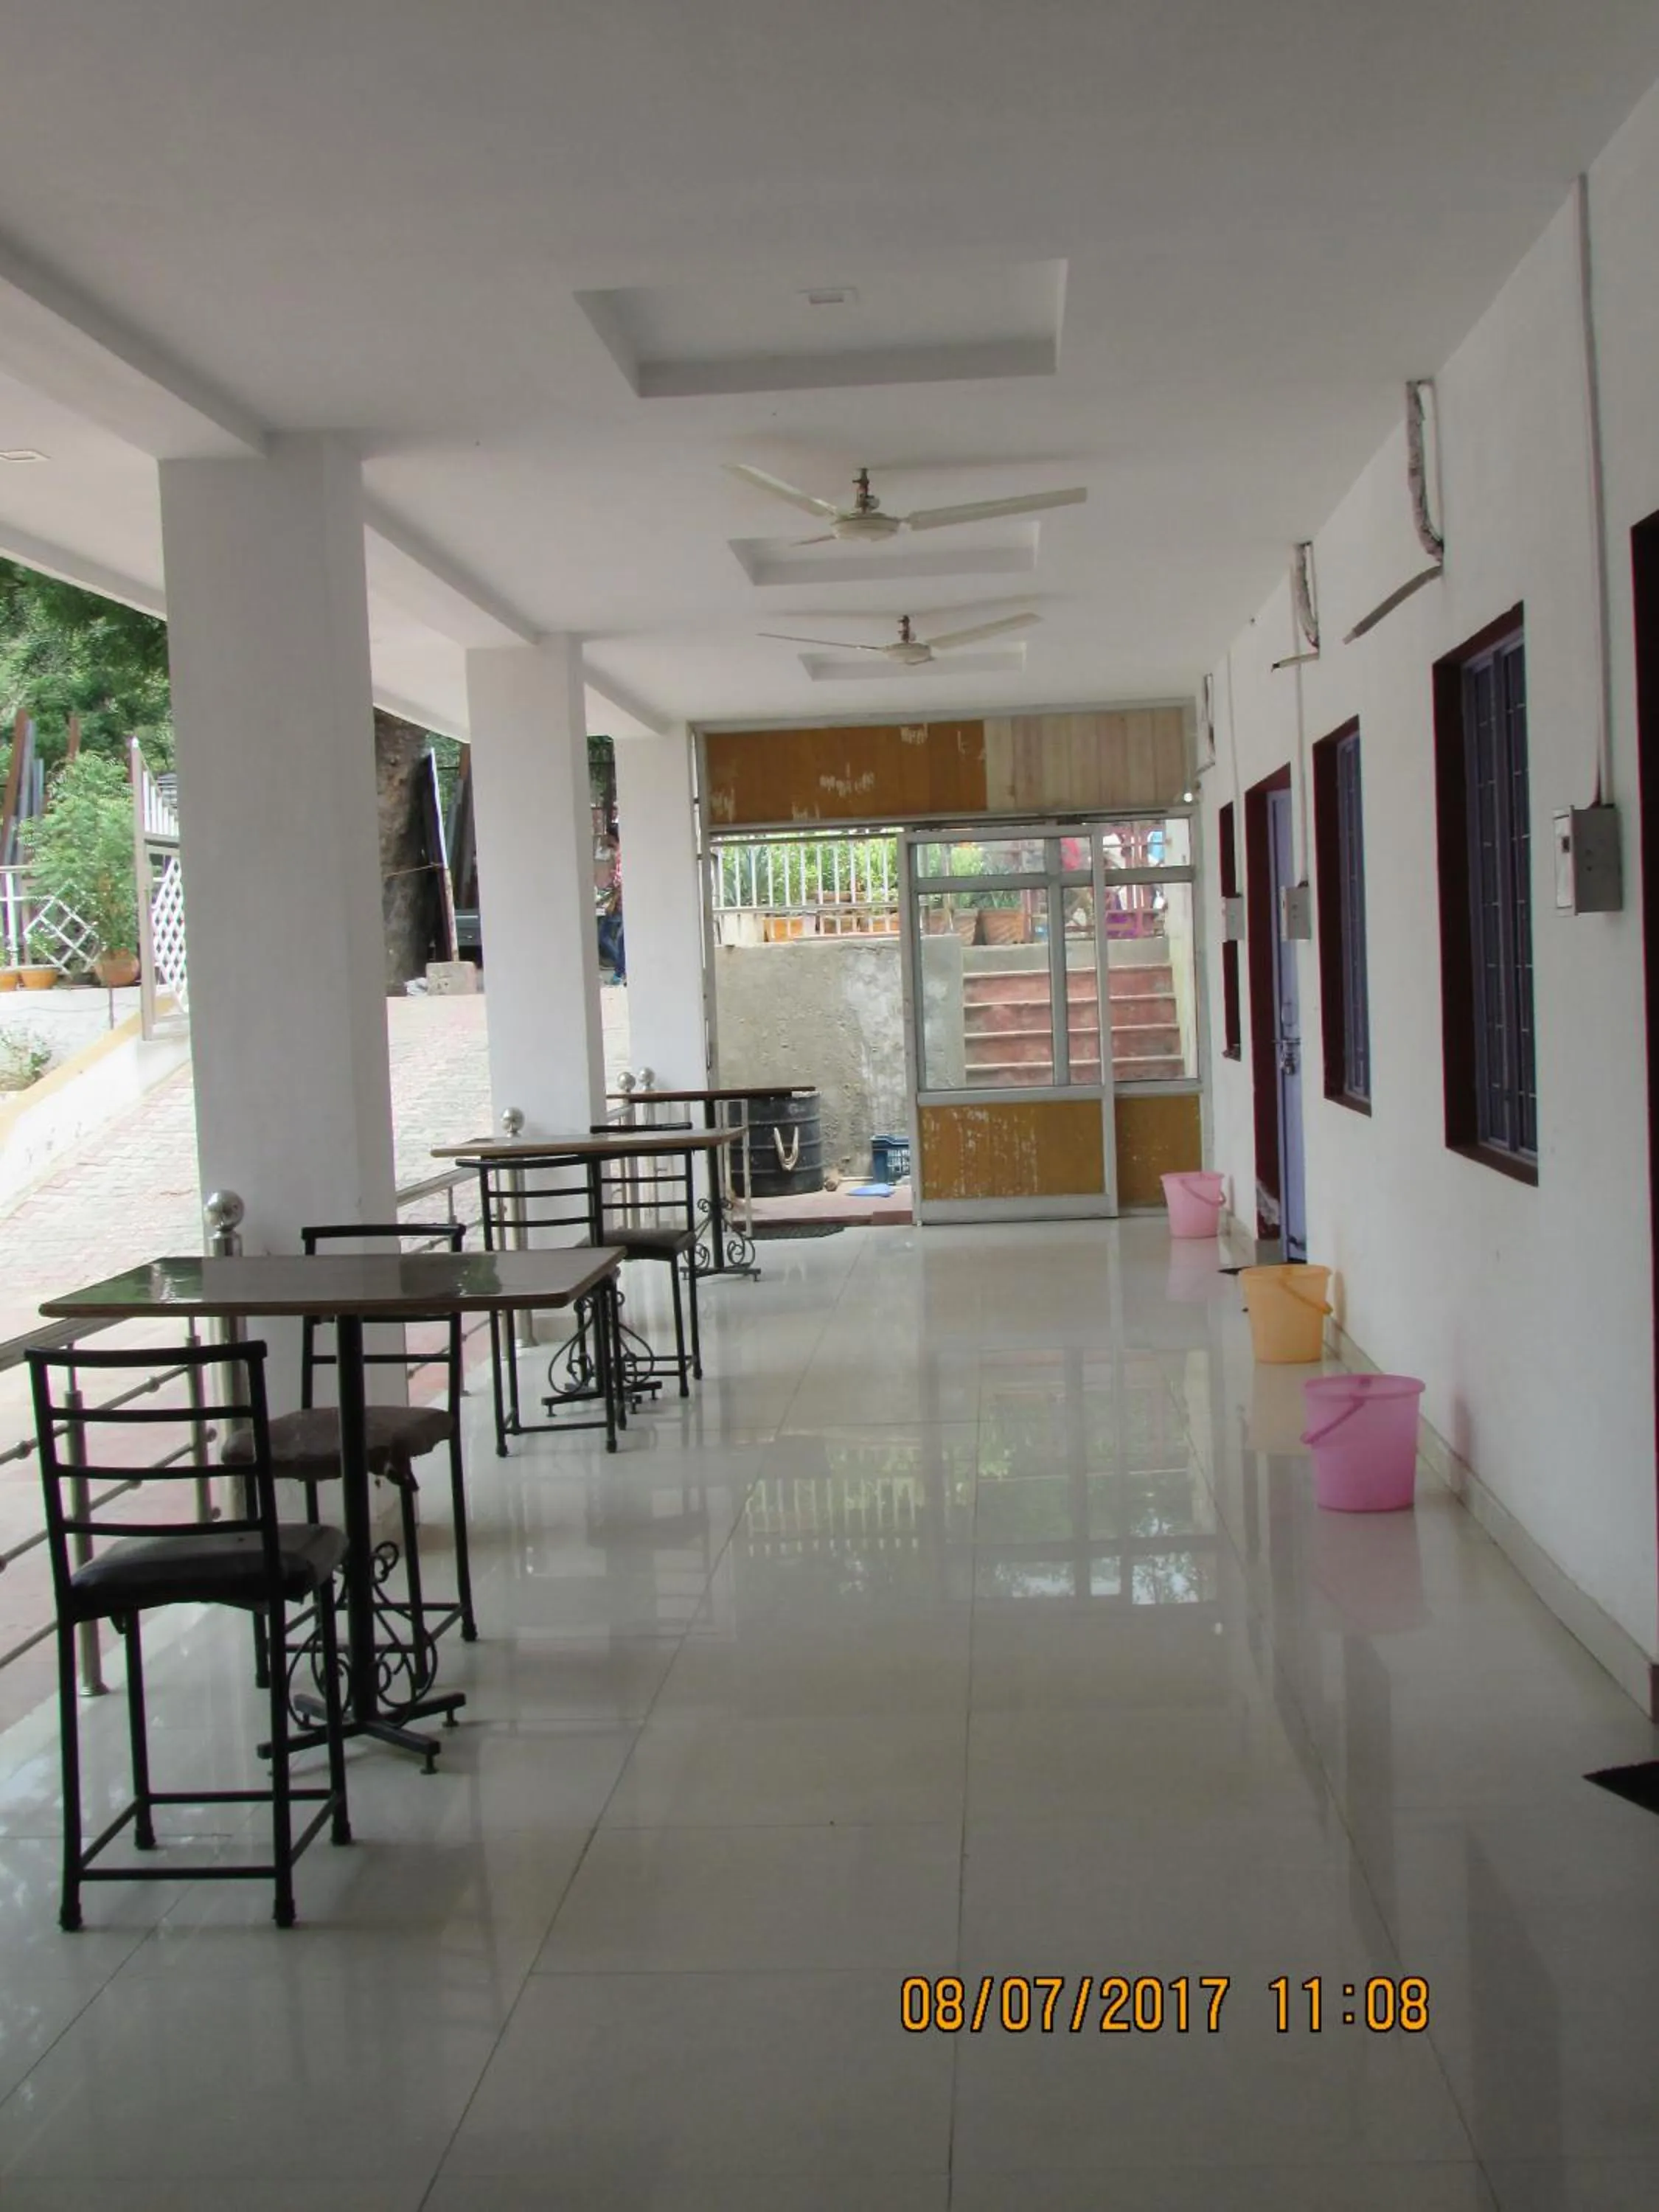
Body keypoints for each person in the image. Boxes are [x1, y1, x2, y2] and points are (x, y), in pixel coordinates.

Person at [595, 834, 625, 982]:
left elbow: (619, 883)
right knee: (616, 938)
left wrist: (611, 902)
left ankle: (620, 969)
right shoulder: (616, 856)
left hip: (618, 905)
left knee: (609, 937)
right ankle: (620, 969)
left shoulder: (618, 856)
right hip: (617, 904)